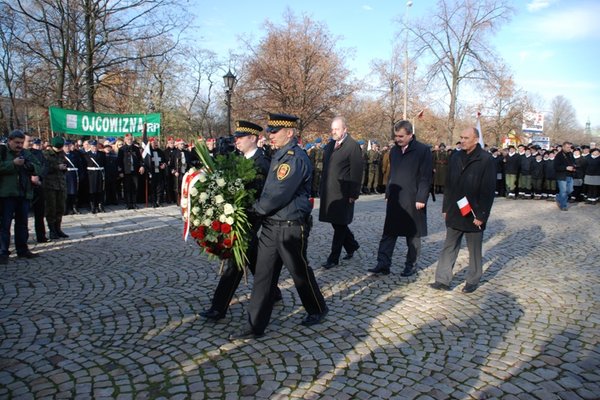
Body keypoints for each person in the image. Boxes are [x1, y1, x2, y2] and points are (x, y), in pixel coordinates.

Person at [230, 113, 328, 339]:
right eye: (270, 131)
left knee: (299, 271)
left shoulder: (294, 158)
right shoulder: (279, 155)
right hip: (272, 226)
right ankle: (255, 325)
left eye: (275, 131)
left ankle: (317, 308)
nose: (270, 135)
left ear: (290, 133)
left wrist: (252, 210)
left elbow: (277, 194)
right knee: (263, 276)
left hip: (290, 227)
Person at [200, 120, 282, 321]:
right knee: (252, 256)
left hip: (249, 219)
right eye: (236, 137)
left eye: (240, 137)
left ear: (253, 138)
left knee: (235, 262)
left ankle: (218, 308)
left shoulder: (262, 162)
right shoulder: (239, 159)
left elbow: (262, 195)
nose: (236, 141)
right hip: (239, 216)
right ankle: (274, 292)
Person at [430, 127, 496, 293]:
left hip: (474, 212)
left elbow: (488, 190)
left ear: (476, 139)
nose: (462, 140)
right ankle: (442, 280)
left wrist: (482, 215)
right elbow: (449, 184)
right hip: (455, 209)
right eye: (461, 137)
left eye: (466, 138)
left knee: (474, 249)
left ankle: (472, 280)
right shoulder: (455, 156)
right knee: (449, 246)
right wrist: (446, 207)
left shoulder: (486, 159)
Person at [368, 120, 433, 276]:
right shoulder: (394, 151)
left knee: (413, 235)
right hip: (396, 199)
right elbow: (392, 174)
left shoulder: (423, 150)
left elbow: (426, 176)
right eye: (396, 136)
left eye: (401, 136)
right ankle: (383, 264)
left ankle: (410, 265)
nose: (398, 139)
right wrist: (389, 193)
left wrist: (421, 198)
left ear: (410, 135)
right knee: (388, 233)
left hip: (413, 199)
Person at [318, 116, 363, 269]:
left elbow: (357, 172)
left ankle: (333, 258)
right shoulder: (330, 145)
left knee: (340, 224)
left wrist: (353, 194)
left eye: (337, 129)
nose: (334, 132)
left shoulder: (353, 146)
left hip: (344, 193)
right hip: (330, 191)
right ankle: (351, 245)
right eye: (332, 129)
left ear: (345, 129)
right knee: (337, 223)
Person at [0, 130, 42, 264]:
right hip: (6, 194)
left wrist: (29, 165)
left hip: (24, 193)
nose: (19, 145)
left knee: (22, 224)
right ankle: (2, 252)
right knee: (4, 225)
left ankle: (22, 249)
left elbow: (38, 166)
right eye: (16, 143)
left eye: (21, 143)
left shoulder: (25, 153)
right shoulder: (2, 151)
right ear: (9, 141)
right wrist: (13, 164)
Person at [43, 137, 69, 239]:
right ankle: (52, 230)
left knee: (60, 208)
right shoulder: (46, 154)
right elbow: (44, 169)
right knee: (51, 208)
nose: (59, 149)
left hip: (61, 184)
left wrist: (64, 168)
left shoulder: (62, 153)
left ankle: (58, 229)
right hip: (50, 185)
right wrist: (57, 167)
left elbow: (64, 166)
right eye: (58, 147)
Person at [117, 133, 144, 209]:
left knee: (135, 187)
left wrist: (142, 166)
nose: (130, 140)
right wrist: (120, 172)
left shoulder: (136, 148)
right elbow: (119, 162)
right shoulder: (122, 149)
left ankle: (134, 203)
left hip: (135, 171)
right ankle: (128, 204)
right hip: (126, 172)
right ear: (125, 140)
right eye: (128, 139)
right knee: (127, 188)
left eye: (131, 139)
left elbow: (140, 159)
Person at [83, 140, 106, 213]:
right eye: (93, 146)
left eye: (96, 146)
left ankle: (100, 205)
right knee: (92, 190)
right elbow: (84, 166)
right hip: (91, 174)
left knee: (100, 190)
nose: (95, 147)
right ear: (90, 146)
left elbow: (105, 164)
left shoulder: (102, 154)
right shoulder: (86, 155)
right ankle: (92, 206)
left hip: (100, 173)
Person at [554, 141, 576, 211]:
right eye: (567, 147)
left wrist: (574, 167)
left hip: (570, 175)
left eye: (570, 147)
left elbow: (573, 162)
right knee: (563, 191)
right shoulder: (558, 155)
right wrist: (566, 168)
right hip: (562, 176)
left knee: (570, 190)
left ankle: (558, 197)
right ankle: (563, 206)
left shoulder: (570, 154)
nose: (569, 148)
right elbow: (556, 167)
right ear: (563, 147)